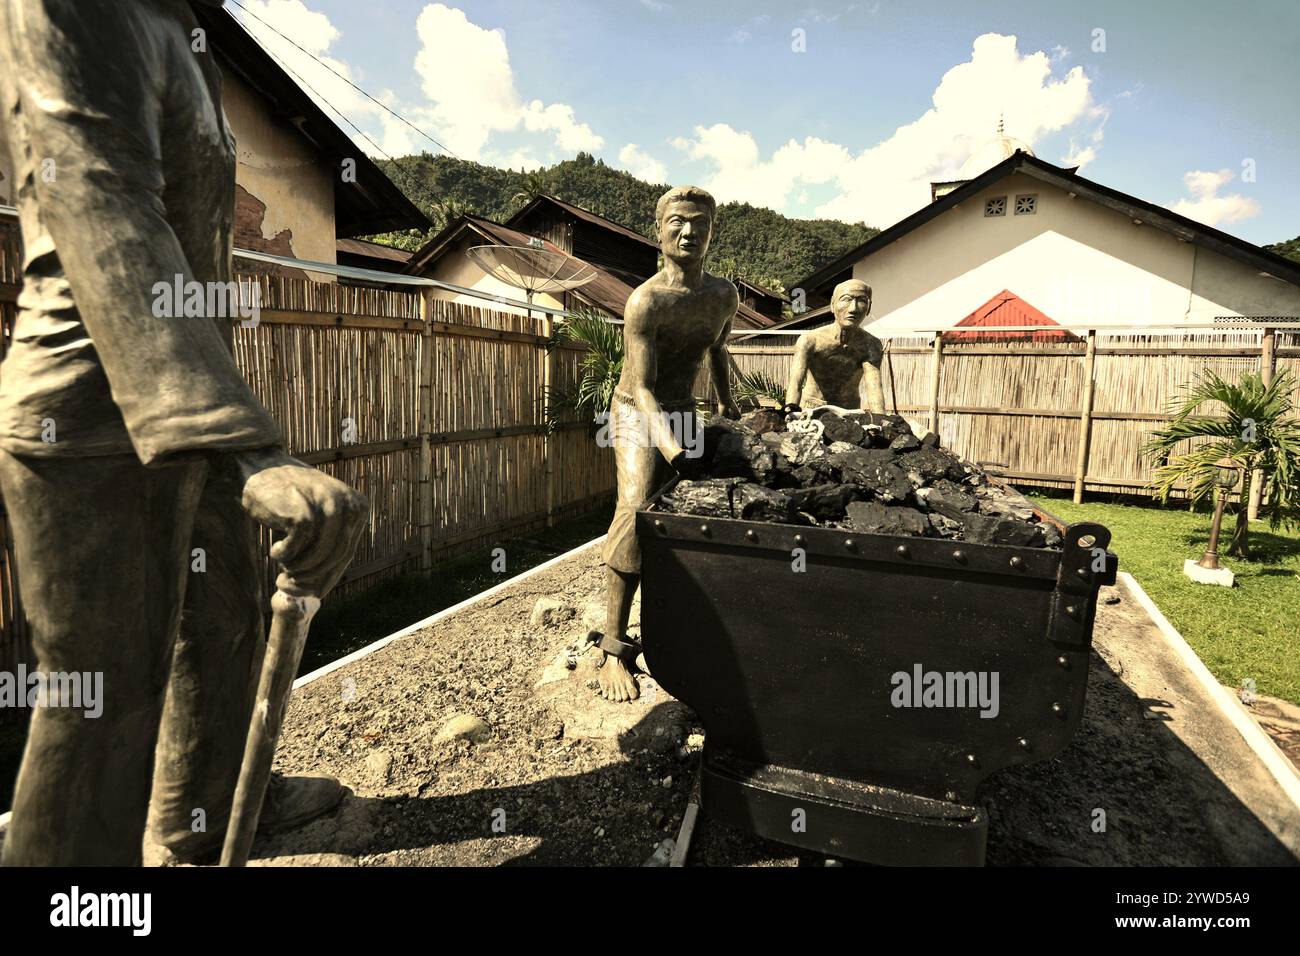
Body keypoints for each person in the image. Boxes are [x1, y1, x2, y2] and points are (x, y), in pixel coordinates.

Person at [0, 0, 365, 866]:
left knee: (225, 618)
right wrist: (247, 445)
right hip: (87, 417)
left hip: (188, 405)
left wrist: (227, 432)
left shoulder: (181, 31)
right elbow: (97, 196)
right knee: (103, 699)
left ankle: (206, 813)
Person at [597, 186, 739, 703]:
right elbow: (642, 388)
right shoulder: (646, 301)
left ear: (712, 231)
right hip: (637, 412)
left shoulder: (724, 296)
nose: (689, 231)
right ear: (658, 232)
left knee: (691, 511)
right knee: (636, 508)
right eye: (678, 221)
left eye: (700, 222)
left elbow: (719, 349)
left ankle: (679, 625)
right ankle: (614, 647)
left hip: (683, 408)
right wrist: (673, 450)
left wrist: (730, 408)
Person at [784, 279, 886, 417]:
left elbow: (874, 387)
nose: (853, 308)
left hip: (848, 412)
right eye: (846, 299)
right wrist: (791, 410)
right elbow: (795, 381)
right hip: (811, 409)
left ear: (869, 308)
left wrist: (881, 420)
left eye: (862, 300)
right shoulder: (810, 340)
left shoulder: (870, 345)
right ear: (832, 305)